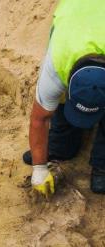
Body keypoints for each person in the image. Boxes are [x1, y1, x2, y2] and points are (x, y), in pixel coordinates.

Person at [23, 0, 105, 197]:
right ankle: (62, 144)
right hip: (74, 14)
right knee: (61, 136)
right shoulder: (56, 65)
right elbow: (39, 118)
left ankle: (102, 165)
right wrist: (39, 168)